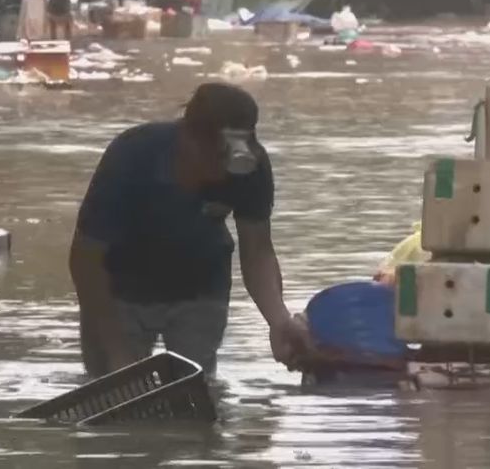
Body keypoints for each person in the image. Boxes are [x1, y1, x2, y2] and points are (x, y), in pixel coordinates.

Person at [71, 83, 311, 378]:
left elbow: (257, 251)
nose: (223, 171)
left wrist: (279, 320)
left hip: (200, 288)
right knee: (115, 388)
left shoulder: (249, 165)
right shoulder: (133, 154)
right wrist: (116, 351)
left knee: (194, 393)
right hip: (119, 291)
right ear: (188, 137)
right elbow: (85, 260)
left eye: (231, 158)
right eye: (215, 155)